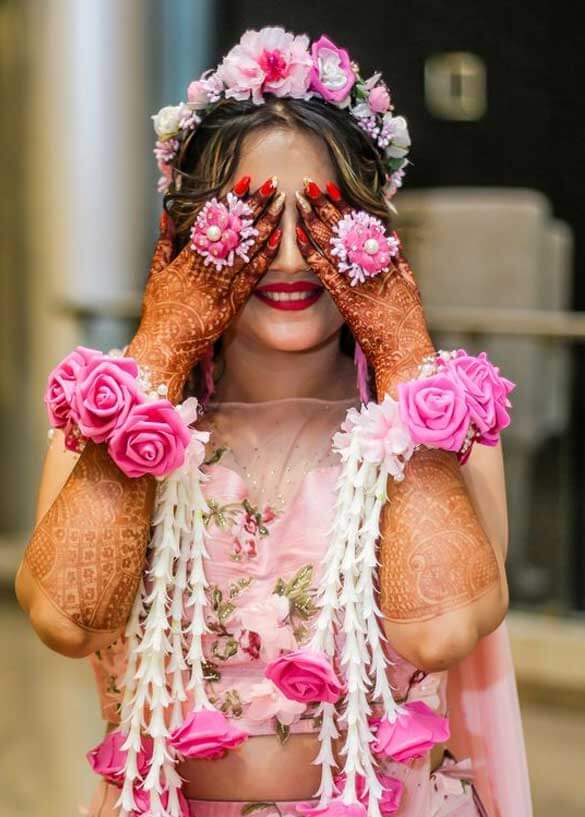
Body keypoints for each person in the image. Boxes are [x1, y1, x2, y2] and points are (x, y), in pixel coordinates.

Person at [15, 27, 532, 817]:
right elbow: (64, 619)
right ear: (186, 235)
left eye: (323, 223)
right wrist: (156, 352)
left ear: (378, 237)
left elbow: (441, 633)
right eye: (250, 223)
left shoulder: (448, 420)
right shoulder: (102, 418)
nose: (289, 259)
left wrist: (403, 359)